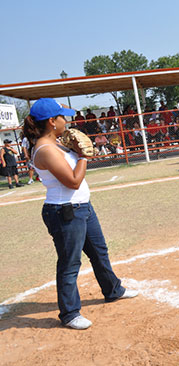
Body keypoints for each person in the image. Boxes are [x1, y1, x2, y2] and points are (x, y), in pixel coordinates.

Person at [22, 98, 137, 330]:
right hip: (64, 210)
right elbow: (73, 181)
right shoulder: (45, 150)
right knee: (70, 262)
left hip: (81, 206)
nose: (67, 120)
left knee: (99, 251)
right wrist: (83, 156)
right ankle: (69, 313)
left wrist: (76, 151)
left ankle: (113, 290)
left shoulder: (57, 144)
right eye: (62, 117)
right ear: (52, 122)